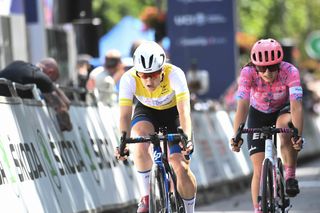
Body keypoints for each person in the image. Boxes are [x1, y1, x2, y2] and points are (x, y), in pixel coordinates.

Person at [115, 41, 197, 213]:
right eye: (144, 75)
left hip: (173, 114)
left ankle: (189, 209)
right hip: (147, 112)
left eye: (154, 73)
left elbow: (184, 112)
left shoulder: (175, 74)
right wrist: (122, 142)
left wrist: (186, 138)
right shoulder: (129, 78)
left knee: (180, 166)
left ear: (162, 70)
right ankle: (146, 197)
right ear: (137, 72)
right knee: (138, 139)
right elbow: (124, 115)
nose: (149, 79)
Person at [230, 38, 304, 213]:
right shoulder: (247, 73)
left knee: (284, 129)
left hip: (283, 109)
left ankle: (290, 176)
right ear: (255, 66)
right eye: (263, 68)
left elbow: (296, 106)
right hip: (259, 112)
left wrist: (297, 135)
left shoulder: (290, 71)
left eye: (273, 67)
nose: (268, 72)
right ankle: (258, 209)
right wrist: (236, 135)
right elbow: (242, 105)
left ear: (280, 64)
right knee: (258, 169)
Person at [0, 58, 72, 131]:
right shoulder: (42, 78)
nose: (52, 82)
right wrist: (67, 125)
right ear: (50, 72)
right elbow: (63, 105)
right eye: (53, 80)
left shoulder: (19, 64)